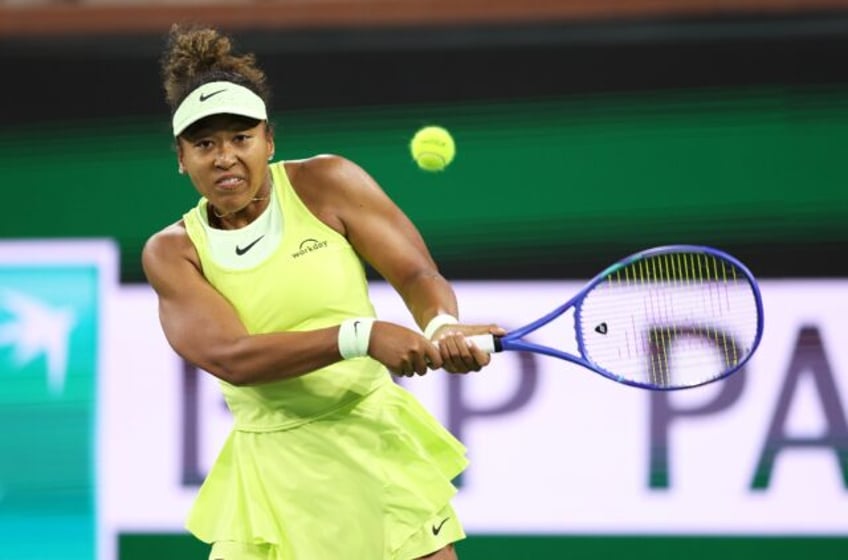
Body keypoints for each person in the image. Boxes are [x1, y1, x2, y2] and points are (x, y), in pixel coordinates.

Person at [142, 24, 505, 560]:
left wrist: (440, 324)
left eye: (241, 138)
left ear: (269, 139)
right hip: (269, 477)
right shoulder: (174, 252)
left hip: (373, 445)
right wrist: (361, 336)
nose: (225, 158)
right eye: (205, 144)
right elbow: (232, 357)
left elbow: (416, 275)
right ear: (181, 157)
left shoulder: (327, 184)